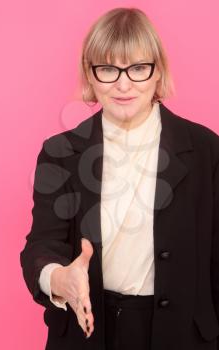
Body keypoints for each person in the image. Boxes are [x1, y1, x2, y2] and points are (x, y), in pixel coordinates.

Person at [20, 7, 219, 350]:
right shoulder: (60, 152)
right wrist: (60, 278)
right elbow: (41, 244)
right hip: (88, 332)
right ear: (91, 75)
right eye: (108, 69)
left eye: (139, 68)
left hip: (183, 334)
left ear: (158, 72)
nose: (123, 84)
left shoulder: (206, 149)